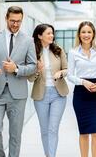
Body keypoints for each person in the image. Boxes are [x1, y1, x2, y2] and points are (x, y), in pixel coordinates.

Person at [0, 6, 37, 157]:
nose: (15, 24)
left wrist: (17, 69)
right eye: (12, 21)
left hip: (18, 94)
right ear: (6, 18)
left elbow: (33, 66)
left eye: (19, 21)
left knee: (15, 135)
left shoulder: (28, 40)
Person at [28, 24, 69, 157]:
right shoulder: (32, 53)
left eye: (52, 33)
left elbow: (67, 69)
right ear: (40, 36)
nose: (52, 36)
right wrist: (38, 70)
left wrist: (61, 73)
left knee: (53, 129)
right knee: (45, 130)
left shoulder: (59, 50)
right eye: (48, 33)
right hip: (41, 95)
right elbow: (30, 78)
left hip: (59, 94)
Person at [67, 21, 96, 157]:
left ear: (93, 34)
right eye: (83, 32)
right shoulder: (73, 52)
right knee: (83, 132)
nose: (86, 35)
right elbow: (70, 76)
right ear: (79, 34)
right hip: (81, 94)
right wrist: (83, 82)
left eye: (89, 32)